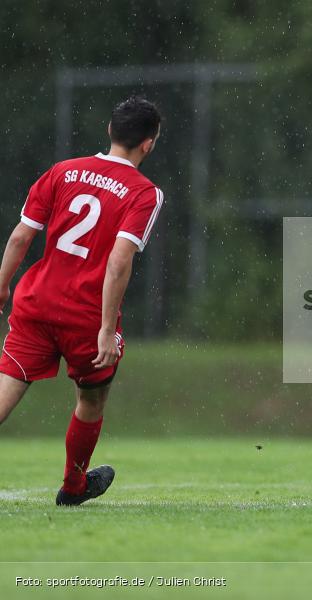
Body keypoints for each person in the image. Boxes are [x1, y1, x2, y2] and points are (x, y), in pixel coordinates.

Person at [0, 96, 163, 506]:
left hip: (35, 303)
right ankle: (73, 487)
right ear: (149, 144)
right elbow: (119, 260)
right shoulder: (144, 193)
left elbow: (21, 236)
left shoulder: (63, 171)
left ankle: (76, 486)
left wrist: (1, 287)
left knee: (7, 387)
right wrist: (107, 330)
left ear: (110, 131)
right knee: (92, 399)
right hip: (85, 317)